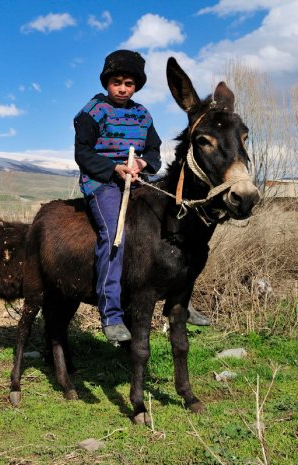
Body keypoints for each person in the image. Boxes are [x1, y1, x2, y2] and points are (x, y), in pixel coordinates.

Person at [74, 50, 210, 342]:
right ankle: (111, 313)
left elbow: (153, 150)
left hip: (137, 182)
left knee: (175, 228)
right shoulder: (91, 113)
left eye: (129, 83)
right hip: (103, 184)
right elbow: (83, 153)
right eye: (116, 82)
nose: (122, 88)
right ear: (106, 82)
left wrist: (141, 163)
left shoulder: (142, 114)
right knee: (114, 234)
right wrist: (114, 167)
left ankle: (181, 303)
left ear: (136, 86)